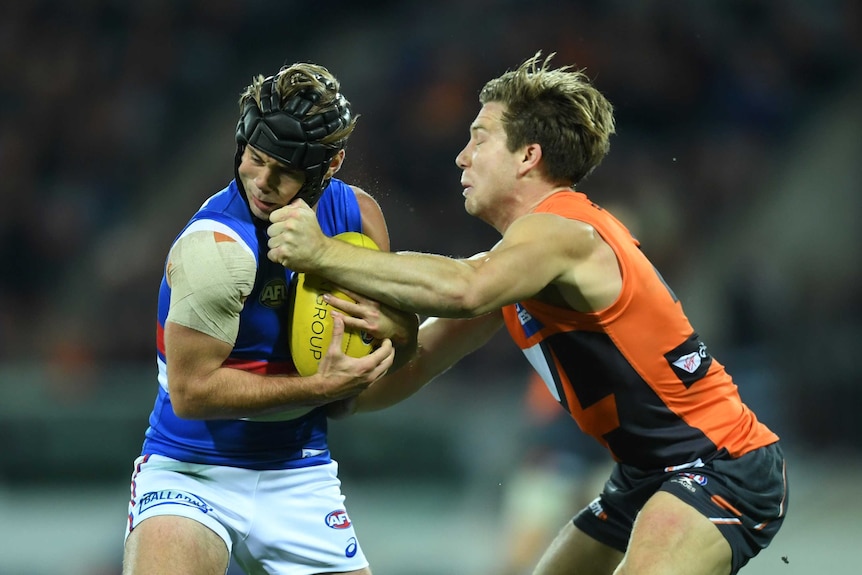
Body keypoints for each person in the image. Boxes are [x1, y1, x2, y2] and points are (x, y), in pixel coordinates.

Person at [265, 52, 789, 575]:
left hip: (719, 464)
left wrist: (322, 254)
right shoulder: (515, 267)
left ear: (527, 156)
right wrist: (326, 396)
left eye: (479, 137)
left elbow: (465, 290)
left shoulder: (563, 232)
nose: (461, 157)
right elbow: (421, 358)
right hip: (645, 472)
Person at [122, 61, 417, 575]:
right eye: (255, 159)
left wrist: (397, 339)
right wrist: (319, 389)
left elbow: (366, 375)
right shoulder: (215, 249)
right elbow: (191, 394)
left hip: (300, 471)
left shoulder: (359, 221)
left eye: (285, 170)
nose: (263, 182)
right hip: (191, 470)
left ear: (331, 165)